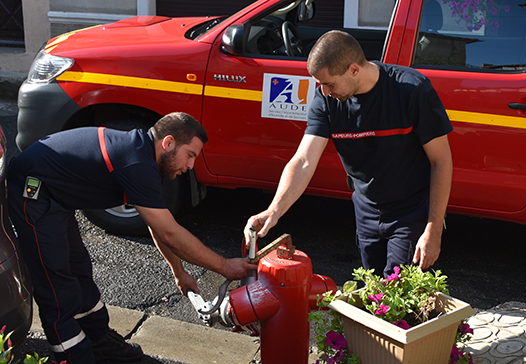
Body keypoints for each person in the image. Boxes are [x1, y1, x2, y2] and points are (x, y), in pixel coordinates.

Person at [7, 112, 257, 364]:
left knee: (79, 269)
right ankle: (73, 357)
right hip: (33, 193)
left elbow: (158, 226)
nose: (191, 166)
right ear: (168, 143)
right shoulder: (136, 162)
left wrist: (179, 272)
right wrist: (225, 266)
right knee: (57, 284)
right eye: (190, 155)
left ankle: (99, 342)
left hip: (56, 198)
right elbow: (170, 233)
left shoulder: (146, 157)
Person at [245, 30, 453, 278]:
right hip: (365, 207)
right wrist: (274, 210)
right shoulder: (326, 100)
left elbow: (441, 162)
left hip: (411, 210)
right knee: (372, 288)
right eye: (319, 84)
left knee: (397, 293)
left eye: (329, 83)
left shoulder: (411, 90)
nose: (323, 91)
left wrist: (433, 229)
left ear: (354, 70)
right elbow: (303, 160)